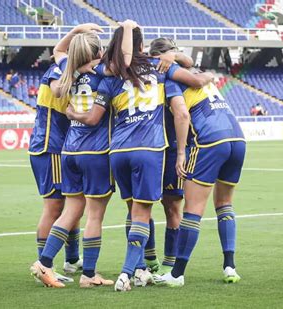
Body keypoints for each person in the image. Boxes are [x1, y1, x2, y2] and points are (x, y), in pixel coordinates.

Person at [65, 24, 213, 292]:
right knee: (143, 213)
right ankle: (128, 272)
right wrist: (177, 58)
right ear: (142, 46)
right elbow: (194, 77)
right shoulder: (160, 67)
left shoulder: (110, 72)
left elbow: (84, 65)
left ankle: (142, 268)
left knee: (132, 211)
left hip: (118, 151)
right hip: (150, 149)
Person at [31, 23, 118, 289]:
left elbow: (59, 50)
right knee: (91, 215)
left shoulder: (69, 67)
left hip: (69, 149)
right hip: (92, 150)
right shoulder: (104, 73)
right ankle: (88, 274)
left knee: (72, 210)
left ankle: (46, 263)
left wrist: (77, 31)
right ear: (98, 53)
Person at [154, 79, 246, 287]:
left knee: (193, 210)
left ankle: (177, 274)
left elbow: (182, 115)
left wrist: (180, 152)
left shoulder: (173, 82)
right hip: (238, 139)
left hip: (210, 141)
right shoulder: (197, 76)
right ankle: (229, 266)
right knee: (224, 204)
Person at [28, 26, 93, 287]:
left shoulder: (64, 63)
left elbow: (58, 50)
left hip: (59, 146)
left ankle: (72, 259)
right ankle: (45, 265)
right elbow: (57, 90)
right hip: (50, 146)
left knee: (70, 203)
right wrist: (78, 69)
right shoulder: (60, 71)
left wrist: (76, 31)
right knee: (55, 207)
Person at [146, 37, 194, 274]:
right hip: (159, 148)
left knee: (166, 207)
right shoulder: (156, 75)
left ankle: (163, 262)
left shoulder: (172, 72)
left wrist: (173, 56)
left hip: (163, 147)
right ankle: (154, 261)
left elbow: (189, 60)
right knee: (153, 207)